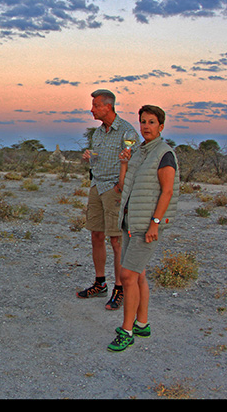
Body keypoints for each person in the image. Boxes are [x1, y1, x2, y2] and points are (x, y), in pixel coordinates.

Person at [107, 105, 179, 352]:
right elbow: (124, 185)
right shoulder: (139, 152)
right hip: (130, 222)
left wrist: (155, 224)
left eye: (151, 122)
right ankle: (142, 323)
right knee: (138, 274)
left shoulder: (164, 154)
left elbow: (167, 191)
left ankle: (126, 331)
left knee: (127, 276)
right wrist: (125, 164)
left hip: (146, 226)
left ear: (161, 126)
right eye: (143, 122)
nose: (146, 126)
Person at [78, 89, 139, 310]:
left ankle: (119, 288)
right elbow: (101, 158)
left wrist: (120, 186)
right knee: (96, 234)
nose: (92, 109)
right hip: (97, 185)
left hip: (114, 189)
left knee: (116, 241)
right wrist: (90, 157)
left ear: (108, 106)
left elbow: (133, 162)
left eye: (95, 105)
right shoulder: (98, 134)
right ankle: (100, 282)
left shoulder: (127, 131)